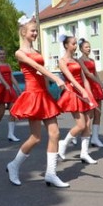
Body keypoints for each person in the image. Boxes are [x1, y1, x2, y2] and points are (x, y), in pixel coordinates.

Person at [6, 15, 68, 188]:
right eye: (33, 30)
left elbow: (41, 72)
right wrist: (56, 78)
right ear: (24, 32)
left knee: (55, 133)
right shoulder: (20, 53)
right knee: (36, 137)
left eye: (36, 31)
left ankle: (51, 173)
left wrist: (52, 91)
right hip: (33, 95)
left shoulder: (36, 51)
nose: (35, 33)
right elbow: (38, 67)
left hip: (44, 94)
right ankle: (14, 165)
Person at [56, 35, 97, 164]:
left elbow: (84, 78)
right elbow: (71, 79)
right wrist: (82, 90)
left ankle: (84, 153)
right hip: (73, 92)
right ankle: (63, 144)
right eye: (73, 44)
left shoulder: (77, 60)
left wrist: (89, 93)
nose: (75, 46)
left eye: (75, 44)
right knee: (81, 125)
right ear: (66, 45)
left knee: (88, 124)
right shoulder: (62, 61)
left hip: (83, 92)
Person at [78, 38, 103, 148]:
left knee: (98, 113)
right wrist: (99, 82)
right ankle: (77, 134)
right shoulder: (80, 61)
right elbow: (88, 74)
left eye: (89, 47)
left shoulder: (92, 60)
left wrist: (100, 84)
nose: (88, 49)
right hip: (87, 86)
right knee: (89, 115)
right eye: (86, 47)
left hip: (95, 86)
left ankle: (95, 138)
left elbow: (95, 73)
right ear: (81, 49)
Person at [0, 45, 22, 142]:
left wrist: (18, 88)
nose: (2, 56)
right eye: (0, 54)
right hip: (2, 88)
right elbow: (0, 76)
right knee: (1, 112)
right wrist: (6, 85)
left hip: (10, 89)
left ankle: (11, 134)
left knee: (13, 111)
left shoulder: (8, 65)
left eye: (3, 54)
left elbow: (11, 77)